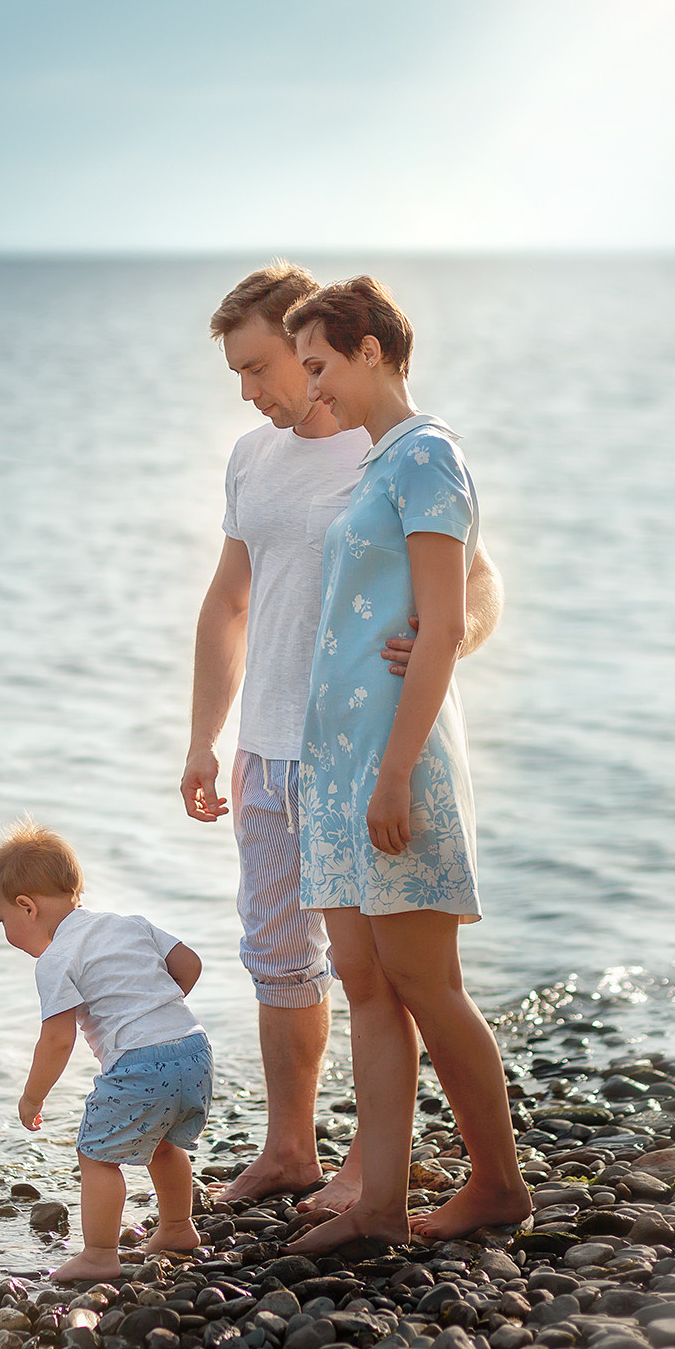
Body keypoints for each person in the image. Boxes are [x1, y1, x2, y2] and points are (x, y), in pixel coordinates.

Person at [181, 264, 502, 1208]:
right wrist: (204, 739)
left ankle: (376, 1169)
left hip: (362, 749)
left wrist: (444, 642)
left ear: (310, 346)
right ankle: (293, 1152)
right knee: (283, 956)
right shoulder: (253, 459)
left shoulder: (388, 451)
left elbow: (475, 585)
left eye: (261, 367)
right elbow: (228, 602)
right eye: (240, 374)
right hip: (271, 748)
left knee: (391, 973)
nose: (253, 390)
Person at [280, 276, 530, 1251]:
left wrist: (392, 773)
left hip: (396, 758)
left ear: (371, 349)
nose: (312, 390)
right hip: (338, 763)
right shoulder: (379, 462)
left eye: (320, 366)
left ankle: (498, 1184)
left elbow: (443, 625)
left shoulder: (427, 455)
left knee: (426, 980)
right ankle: (379, 1205)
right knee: (365, 979)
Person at [0, 820, 212, 1282]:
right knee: (163, 1142)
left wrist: (32, 1097)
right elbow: (190, 964)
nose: (5, 932)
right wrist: (155, 1010)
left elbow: (57, 1040)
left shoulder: (57, 958)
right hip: (194, 1049)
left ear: (26, 907)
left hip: (140, 1063)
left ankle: (100, 1254)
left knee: (96, 1156)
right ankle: (177, 1228)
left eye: (1, 920)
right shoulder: (130, 924)